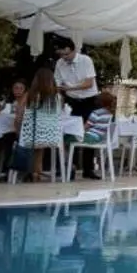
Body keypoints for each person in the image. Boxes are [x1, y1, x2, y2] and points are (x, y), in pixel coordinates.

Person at [54, 37, 102, 180]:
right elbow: (57, 85)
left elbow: (88, 83)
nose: (64, 57)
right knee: (71, 133)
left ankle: (88, 169)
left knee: (89, 133)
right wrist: (60, 100)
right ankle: (71, 168)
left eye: (67, 54)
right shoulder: (60, 63)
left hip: (89, 100)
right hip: (72, 100)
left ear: (73, 50)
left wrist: (70, 87)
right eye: (61, 54)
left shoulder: (85, 60)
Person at [19, 65, 65, 182]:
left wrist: (17, 129)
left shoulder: (30, 95)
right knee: (40, 140)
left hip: (31, 137)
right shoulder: (58, 98)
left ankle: (28, 171)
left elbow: (19, 116)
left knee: (20, 136)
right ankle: (37, 172)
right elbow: (60, 116)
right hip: (52, 137)